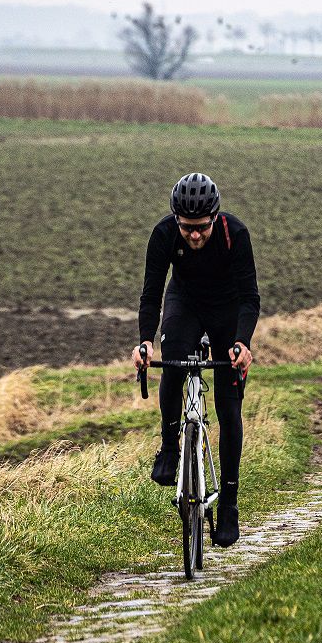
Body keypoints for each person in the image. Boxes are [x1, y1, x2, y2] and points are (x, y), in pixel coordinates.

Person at [131, 172, 258, 548]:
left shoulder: (235, 233)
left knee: (228, 405)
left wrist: (241, 343)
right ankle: (171, 446)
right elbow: (151, 295)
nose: (195, 235)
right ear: (176, 220)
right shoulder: (164, 234)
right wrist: (143, 342)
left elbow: (251, 298)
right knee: (173, 363)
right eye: (188, 228)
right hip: (184, 303)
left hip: (227, 309)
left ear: (215, 218)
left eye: (201, 228)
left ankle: (230, 507)